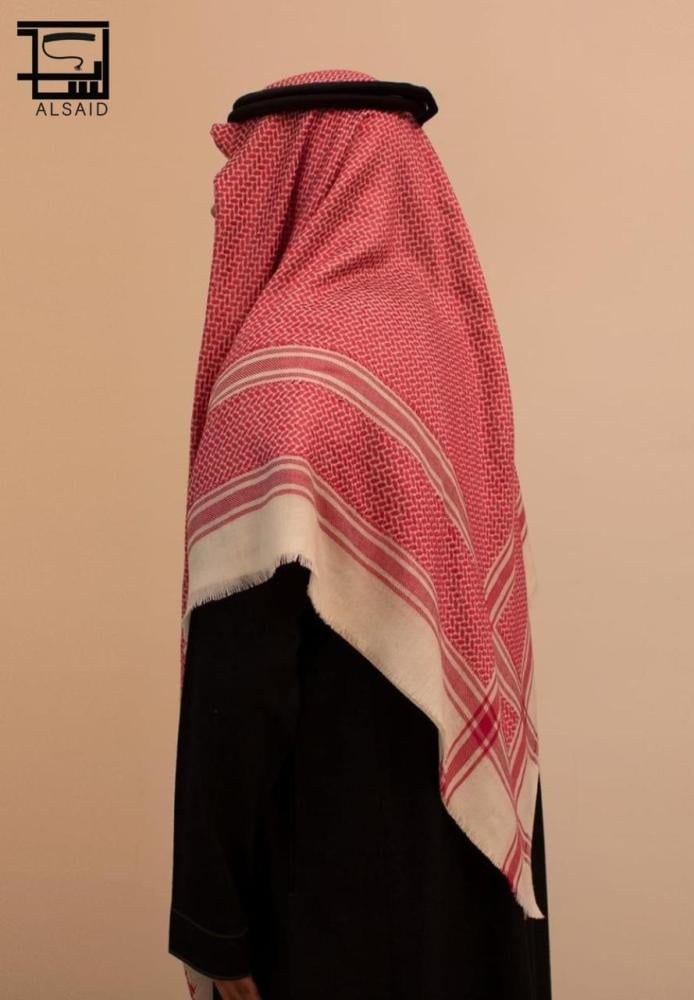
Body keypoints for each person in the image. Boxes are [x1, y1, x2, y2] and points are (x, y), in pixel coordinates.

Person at [169, 68, 552, 1000]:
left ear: (301, 177)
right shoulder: (446, 358)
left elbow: (238, 687)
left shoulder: (281, 384)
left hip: (333, 890)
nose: (227, 206)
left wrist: (214, 929)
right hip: (468, 866)